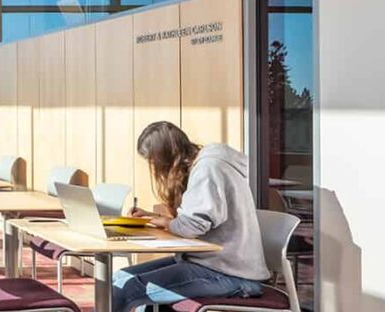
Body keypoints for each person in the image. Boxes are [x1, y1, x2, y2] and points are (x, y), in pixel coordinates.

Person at [112, 121, 269, 312]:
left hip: (230, 273)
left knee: (125, 290)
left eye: (154, 161)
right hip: (210, 263)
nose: (154, 167)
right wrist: (153, 217)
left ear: (165, 156)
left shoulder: (209, 168)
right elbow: (198, 218)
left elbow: (193, 227)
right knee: (119, 279)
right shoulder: (203, 165)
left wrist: (163, 222)